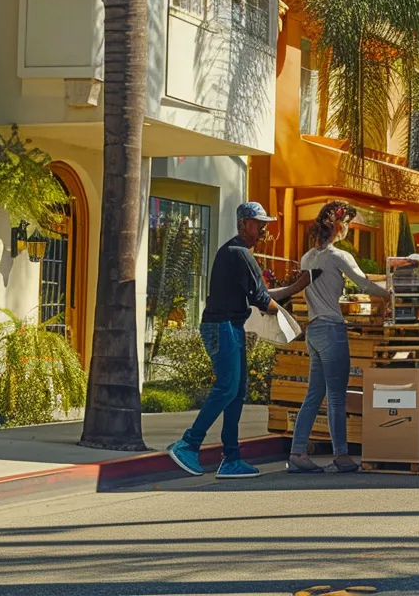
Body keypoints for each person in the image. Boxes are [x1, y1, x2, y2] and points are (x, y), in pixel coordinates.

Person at [167, 202, 307, 478]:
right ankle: (188, 444)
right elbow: (262, 299)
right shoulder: (239, 253)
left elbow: (260, 293)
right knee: (227, 387)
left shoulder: (237, 253)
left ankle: (231, 459)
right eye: (258, 222)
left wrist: (295, 288)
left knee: (236, 391)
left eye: (265, 222)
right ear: (244, 223)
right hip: (222, 327)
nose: (263, 228)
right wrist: (293, 323)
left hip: (230, 326)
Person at [289, 201, 391, 474]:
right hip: (332, 329)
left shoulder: (307, 257)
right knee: (336, 396)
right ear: (337, 226)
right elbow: (366, 285)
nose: (348, 228)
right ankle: (342, 455)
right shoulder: (338, 256)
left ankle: (298, 452)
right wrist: (392, 293)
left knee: (314, 394)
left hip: (313, 329)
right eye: (347, 224)